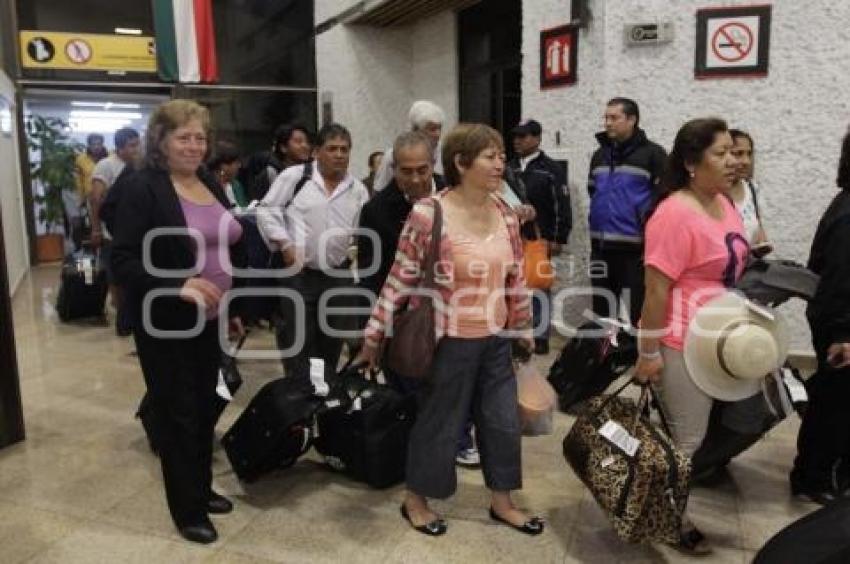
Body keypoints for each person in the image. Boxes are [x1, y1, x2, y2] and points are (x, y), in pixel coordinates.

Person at [356, 123, 543, 537]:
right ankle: (416, 499)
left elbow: (515, 278)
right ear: (461, 162)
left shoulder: (506, 213)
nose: (501, 163)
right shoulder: (429, 212)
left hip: (495, 338)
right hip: (447, 339)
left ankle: (502, 501)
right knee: (440, 422)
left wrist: (523, 327)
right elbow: (399, 277)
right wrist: (373, 334)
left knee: (500, 423)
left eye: (500, 155)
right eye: (490, 156)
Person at [110, 100, 246, 544]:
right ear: (161, 141)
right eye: (183, 137)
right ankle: (186, 509)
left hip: (211, 317)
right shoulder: (142, 187)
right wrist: (177, 283)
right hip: (166, 320)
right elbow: (124, 261)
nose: (194, 145)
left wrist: (234, 306)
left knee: (207, 407)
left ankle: (201, 488)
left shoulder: (207, 179)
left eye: (200, 137)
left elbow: (224, 245)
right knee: (180, 414)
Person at [633, 117, 744, 555]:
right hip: (679, 339)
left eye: (734, 151)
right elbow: (656, 289)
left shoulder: (724, 202)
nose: (733, 161)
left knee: (696, 437)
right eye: (721, 153)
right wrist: (648, 351)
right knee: (687, 439)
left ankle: (660, 503)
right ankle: (670, 520)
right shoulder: (675, 212)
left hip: (714, 339)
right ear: (692, 163)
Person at [258, 123, 369, 380]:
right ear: (317, 152)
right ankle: (298, 403)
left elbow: (360, 232)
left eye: (344, 149)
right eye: (332, 148)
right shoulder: (295, 178)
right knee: (298, 342)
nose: (339, 155)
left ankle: (323, 394)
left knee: (331, 342)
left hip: (337, 275)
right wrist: (284, 243)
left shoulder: (358, 190)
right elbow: (266, 211)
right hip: (298, 274)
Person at [792, 130, 850, 504]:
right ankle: (813, 477)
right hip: (840, 326)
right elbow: (840, 281)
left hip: (839, 322)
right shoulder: (848, 215)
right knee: (833, 406)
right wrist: (843, 334)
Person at [587, 97, 667, 324]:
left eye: (614, 117)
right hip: (601, 250)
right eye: (606, 117)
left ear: (632, 120)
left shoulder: (653, 155)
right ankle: (603, 358)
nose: (608, 123)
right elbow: (593, 191)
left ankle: (636, 358)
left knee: (637, 316)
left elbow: (664, 202)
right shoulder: (599, 155)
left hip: (635, 252)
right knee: (602, 317)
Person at [509, 118, 572, 354]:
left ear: (537, 138)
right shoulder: (509, 167)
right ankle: (516, 333)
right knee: (513, 285)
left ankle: (541, 333)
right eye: (515, 136)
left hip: (539, 237)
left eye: (523, 136)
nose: (517, 141)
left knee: (538, 286)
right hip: (512, 237)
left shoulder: (550, 168)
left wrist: (558, 236)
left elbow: (561, 204)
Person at [88, 127, 142, 336]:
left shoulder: (138, 165)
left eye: (138, 144)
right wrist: (95, 229)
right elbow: (96, 199)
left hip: (134, 232)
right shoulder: (106, 165)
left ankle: (130, 315)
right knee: (117, 276)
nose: (136, 149)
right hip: (113, 232)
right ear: (119, 148)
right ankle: (123, 318)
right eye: (132, 145)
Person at [371, 100, 445, 193]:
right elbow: (379, 191)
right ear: (415, 129)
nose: (438, 134)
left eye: (439, 128)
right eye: (432, 129)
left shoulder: (445, 152)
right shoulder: (393, 155)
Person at [247, 123, 313, 201]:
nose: (305, 146)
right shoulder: (271, 174)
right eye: (298, 142)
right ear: (283, 147)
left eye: (307, 142)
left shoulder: (311, 173)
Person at [728, 129, 768, 245]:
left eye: (749, 154)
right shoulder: (713, 194)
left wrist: (762, 246)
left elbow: (759, 232)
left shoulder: (752, 189)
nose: (746, 161)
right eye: (738, 154)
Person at [208, 140, 249, 210]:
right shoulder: (208, 186)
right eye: (236, 163)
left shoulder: (236, 185)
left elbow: (244, 208)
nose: (239, 166)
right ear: (224, 166)